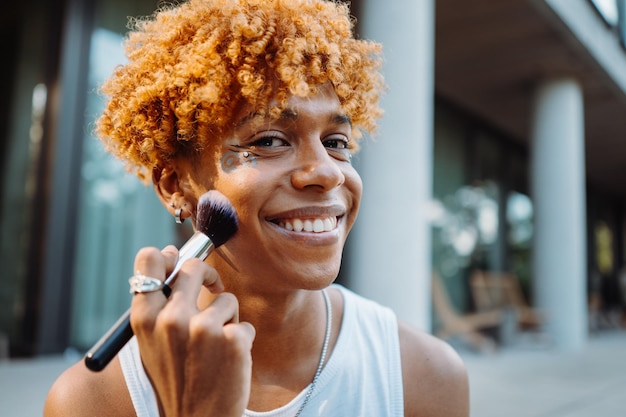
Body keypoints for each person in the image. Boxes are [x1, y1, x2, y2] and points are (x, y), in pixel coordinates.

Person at [44, 0, 469, 416]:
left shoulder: (424, 376)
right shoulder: (92, 401)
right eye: (268, 141)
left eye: (336, 143)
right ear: (175, 184)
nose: (327, 172)